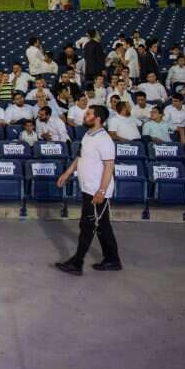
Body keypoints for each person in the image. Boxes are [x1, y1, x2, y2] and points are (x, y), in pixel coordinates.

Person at [55, 105, 121, 275]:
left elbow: (109, 167)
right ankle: (112, 260)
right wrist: (67, 173)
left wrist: (101, 191)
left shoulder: (104, 140)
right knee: (102, 226)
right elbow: (80, 156)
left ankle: (77, 263)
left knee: (87, 226)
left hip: (96, 192)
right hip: (89, 188)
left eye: (89, 114)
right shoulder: (88, 134)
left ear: (98, 118)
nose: (85, 116)